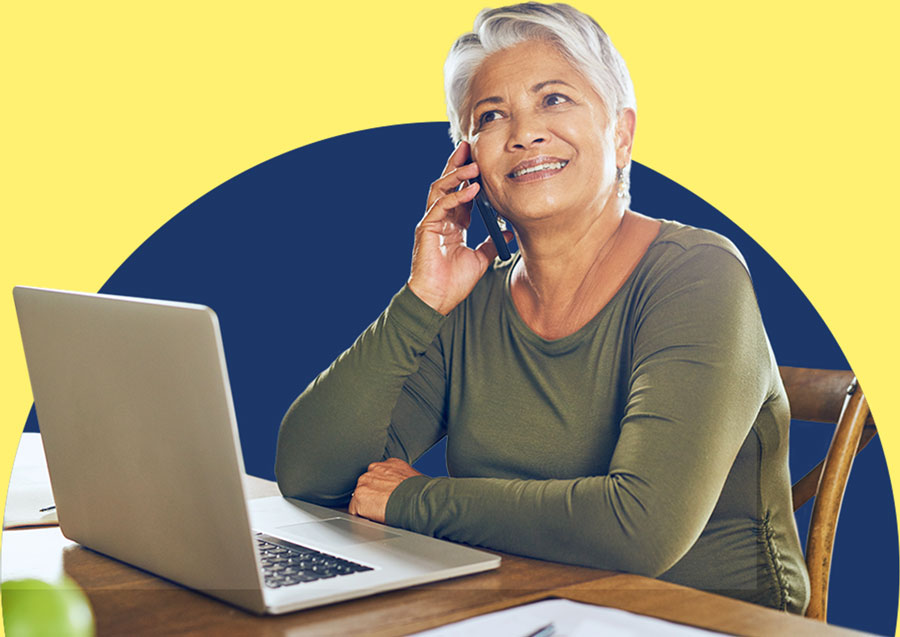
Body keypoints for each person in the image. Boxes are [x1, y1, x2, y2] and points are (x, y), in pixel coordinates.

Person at [275, 2, 810, 613]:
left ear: (621, 134)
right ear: (469, 162)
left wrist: (413, 500)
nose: (523, 133)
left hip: (699, 619)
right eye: (491, 115)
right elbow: (313, 476)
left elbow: (639, 528)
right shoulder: (473, 299)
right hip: (516, 607)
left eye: (554, 99)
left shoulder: (698, 274)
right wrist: (421, 300)